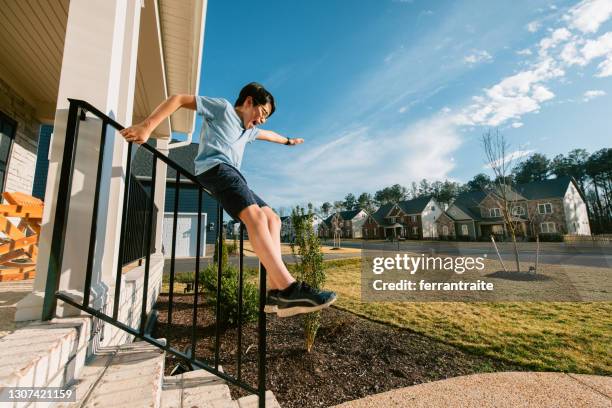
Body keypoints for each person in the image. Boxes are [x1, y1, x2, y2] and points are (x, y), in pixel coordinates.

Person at [120, 82, 336, 318]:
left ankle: (274, 291)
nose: (262, 120)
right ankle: (288, 287)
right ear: (248, 102)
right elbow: (178, 99)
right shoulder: (223, 109)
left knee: (273, 219)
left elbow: (268, 135)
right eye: (262, 113)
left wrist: (288, 141)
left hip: (233, 174)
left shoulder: (250, 130)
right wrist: (147, 127)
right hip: (214, 168)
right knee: (255, 217)